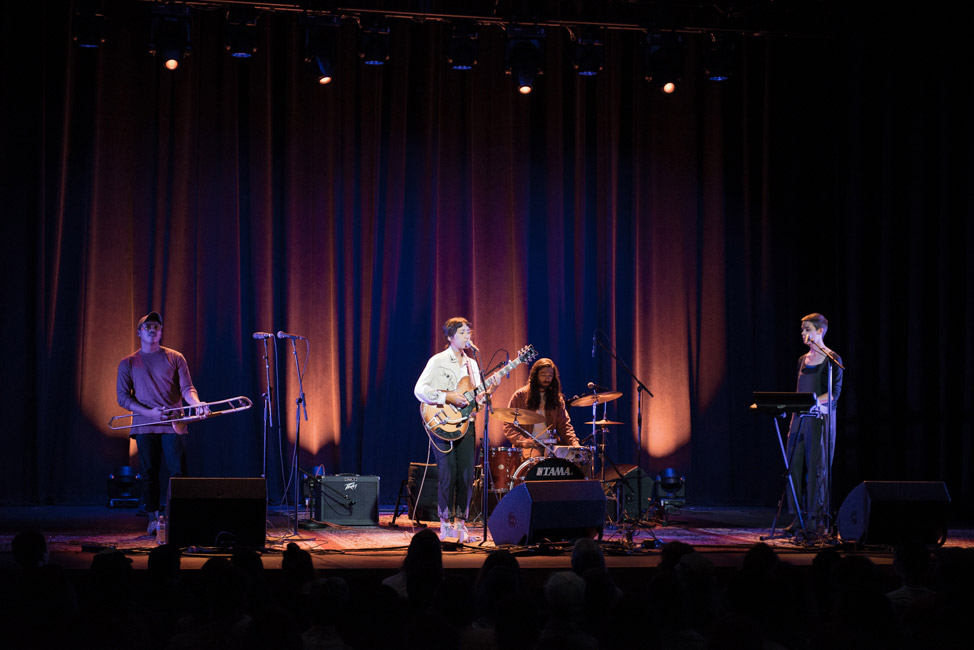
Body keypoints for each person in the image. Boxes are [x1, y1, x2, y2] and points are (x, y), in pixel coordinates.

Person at [116, 311, 206, 535]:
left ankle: (179, 516)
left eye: (156, 326)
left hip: (174, 423)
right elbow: (123, 397)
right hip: (145, 424)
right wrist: (150, 413)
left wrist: (196, 403)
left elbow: (187, 389)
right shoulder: (128, 362)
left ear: (161, 331)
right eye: (147, 327)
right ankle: (153, 519)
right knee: (149, 473)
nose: (152, 329)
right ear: (139, 332)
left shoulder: (175, 357)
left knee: (178, 474)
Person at [414, 317, 498, 542]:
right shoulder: (438, 361)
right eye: (462, 332)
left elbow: (474, 401)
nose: (467, 335)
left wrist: (488, 392)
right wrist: (446, 395)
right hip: (442, 424)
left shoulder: (472, 364)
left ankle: (461, 524)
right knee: (448, 473)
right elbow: (419, 390)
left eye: (468, 331)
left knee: (466, 475)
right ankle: (446, 524)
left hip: (466, 425)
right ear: (450, 337)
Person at [785, 312, 843, 535]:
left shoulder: (832, 359)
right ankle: (798, 518)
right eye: (802, 330)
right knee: (794, 466)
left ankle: (815, 519)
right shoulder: (802, 360)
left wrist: (812, 402)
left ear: (820, 331)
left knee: (817, 469)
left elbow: (834, 393)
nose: (803, 334)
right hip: (799, 418)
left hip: (820, 418)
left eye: (807, 329)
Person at [502, 357, 579, 458]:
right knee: (536, 460)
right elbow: (508, 425)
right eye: (543, 375)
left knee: (578, 458)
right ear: (535, 375)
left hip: (551, 445)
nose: (547, 379)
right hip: (528, 446)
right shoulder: (520, 396)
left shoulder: (556, 398)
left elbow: (564, 426)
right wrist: (523, 441)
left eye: (550, 376)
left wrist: (575, 444)